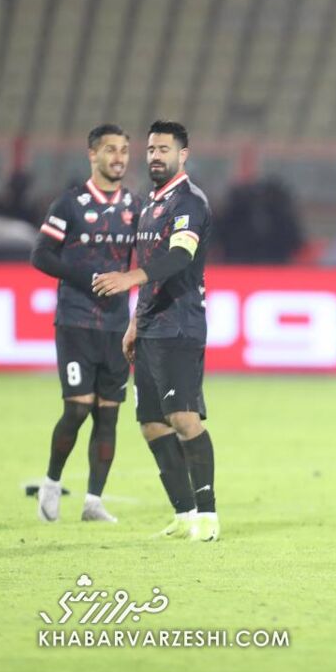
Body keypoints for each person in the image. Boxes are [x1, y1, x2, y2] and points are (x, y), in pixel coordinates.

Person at [92, 121, 218, 542]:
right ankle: (184, 515)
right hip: (149, 325)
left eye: (164, 149)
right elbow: (151, 267)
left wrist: (130, 278)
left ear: (183, 155)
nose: (155, 156)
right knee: (151, 423)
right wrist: (134, 322)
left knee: (183, 418)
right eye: (151, 150)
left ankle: (208, 516)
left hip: (179, 324)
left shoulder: (189, 201)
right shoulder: (151, 203)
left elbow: (180, 255)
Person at [30, 124, 140, 524]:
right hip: (76, 320)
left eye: (124, 150)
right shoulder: (69, 204)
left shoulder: (136, 206)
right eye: (110, 149)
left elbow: (146, 260)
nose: (119, 157)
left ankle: (94, 502)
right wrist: (88, 279)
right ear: (92, 155)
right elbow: (41, 255)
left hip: (116, 326)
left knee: (108, 414)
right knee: (77, 409)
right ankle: (51, 483)